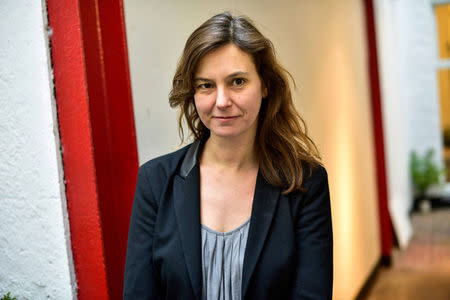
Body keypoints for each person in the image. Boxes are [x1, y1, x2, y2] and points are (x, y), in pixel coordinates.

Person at [123, 12, 333, 300]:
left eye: (237, 82)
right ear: (193, 93)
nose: (222, 101)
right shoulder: (155, 182)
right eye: (206, 85)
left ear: (265, 86)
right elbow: (139, 294)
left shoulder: (305, 183)